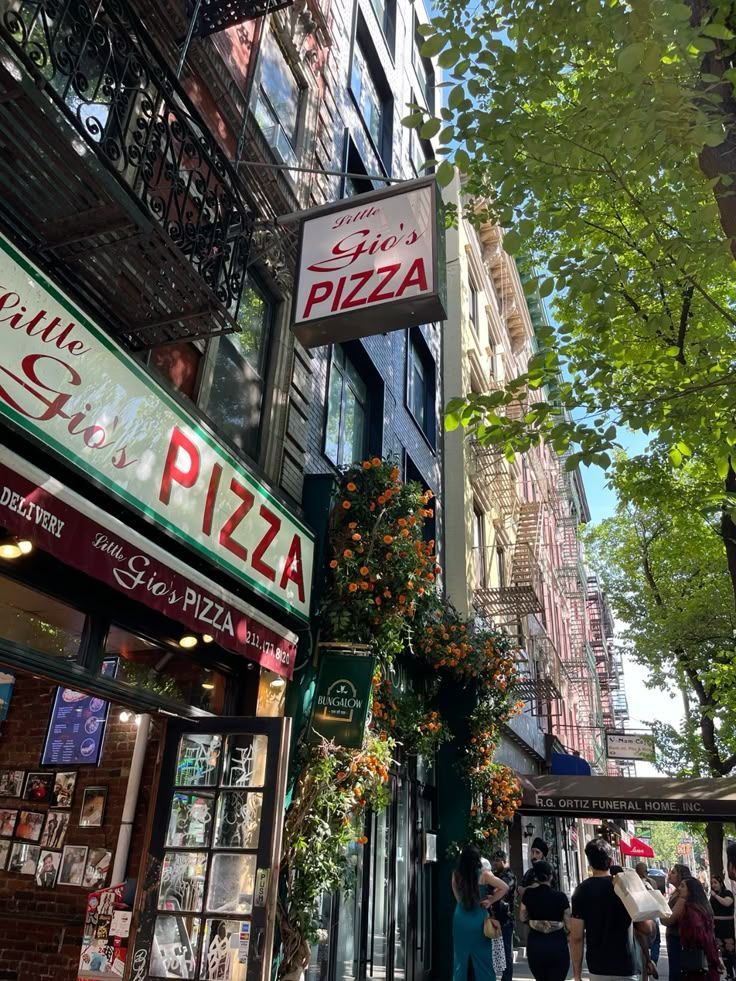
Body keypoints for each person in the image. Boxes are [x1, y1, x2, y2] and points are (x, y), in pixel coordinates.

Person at [569, 838, 638, 981]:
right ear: (611, 861)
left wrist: (577, 975)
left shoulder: (581, 891)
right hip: (626, 965)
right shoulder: (625, 887)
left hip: (598, 967)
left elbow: (576, 937)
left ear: (589, 863)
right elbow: (646, 927)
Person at [453, 844, 509, 981]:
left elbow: (458, 897)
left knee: (460, 960)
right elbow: (504, 887)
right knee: (483, 959)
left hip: (460, 917)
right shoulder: (484, 875)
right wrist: (490, 900)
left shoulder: (456, 875)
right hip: (479, 918)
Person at [519, 861, 570, 981]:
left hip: (536, 944)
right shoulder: (561, 897)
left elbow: (522, 917)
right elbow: (569, 924)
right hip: (557, 943)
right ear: (551, 876)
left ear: (535, 877)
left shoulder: (528, 895)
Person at [662, 877, 720, 981]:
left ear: (691, 890)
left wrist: (714, 959)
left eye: (682, 886)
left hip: (698, 963)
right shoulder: (698, 908)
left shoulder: (692, 912)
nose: (679, 888)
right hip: (702, 961)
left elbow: (703, 938)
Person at [663, 864, 693, 981]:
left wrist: (662, 914)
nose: (669, 874)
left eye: (673, 872)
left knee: (677, 973)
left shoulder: (683, 895)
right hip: (674, 937)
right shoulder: (676, 892)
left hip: (679, 938)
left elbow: (668, 919)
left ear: (681, 876)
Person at [491, 849, 517, 981]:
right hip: (494, 917)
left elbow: (500, 889)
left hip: (506, 919)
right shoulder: (495, 875)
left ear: (503, 861)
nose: (495, 863)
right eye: (494, 861)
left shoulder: (509, 875)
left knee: (506, 952)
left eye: (497, 861)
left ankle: (507, 978)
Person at [636, 862, 661, 965]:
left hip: (641, 914)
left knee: (642, 940)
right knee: (656, 941)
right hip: (653, 913)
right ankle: (653, 961)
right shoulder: (652, 882)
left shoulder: (635, 884)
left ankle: (647, 961)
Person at [709, 874, 734, 979]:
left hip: (727, 926)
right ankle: (729, 973)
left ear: (720, 883)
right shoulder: (712, 897)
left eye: (715, 882)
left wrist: (715, 896)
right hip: (717, 926)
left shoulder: (727, 893)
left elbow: (727, 903)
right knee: (723, 951)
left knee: (731, 950)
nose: (713, 885)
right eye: (712, 883)